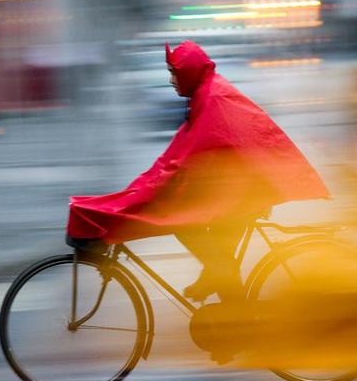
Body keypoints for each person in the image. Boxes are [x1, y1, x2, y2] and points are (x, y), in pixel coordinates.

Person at [67, 41, 329, 302]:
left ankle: (237, 313)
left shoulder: (211, 97)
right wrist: (144, 185)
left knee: (187, 224)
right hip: (244, 185)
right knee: (216, 254)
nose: (171, 80)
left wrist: (149, 189)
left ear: (189, 72)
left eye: (174, 73)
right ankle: (231, 309)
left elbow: (190, 155)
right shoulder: (205, 93)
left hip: (246, 190)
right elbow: (182, 152)